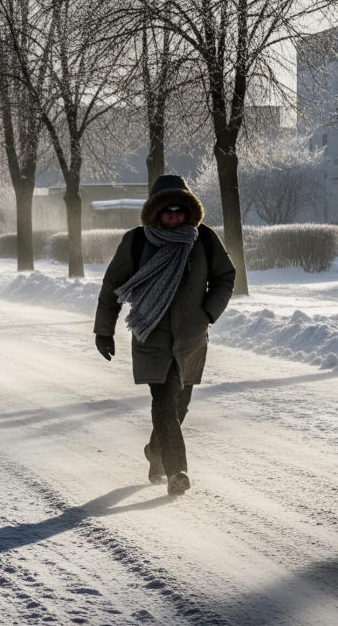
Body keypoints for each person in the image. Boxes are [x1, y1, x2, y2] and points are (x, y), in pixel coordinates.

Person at [93, 174, 235, 496]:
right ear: (155, 212)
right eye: (166, 210)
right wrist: (104, 331)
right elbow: (112, 286)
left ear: (189, 211)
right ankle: (176, 472)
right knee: (164, 401)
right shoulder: (137, 241)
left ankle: (155, 451)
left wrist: (208, 312)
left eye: (179, 210)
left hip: (190, 339)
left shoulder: (204, 240)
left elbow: (226, 277)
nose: (173, 215)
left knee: (180, 406)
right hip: (151, 335)